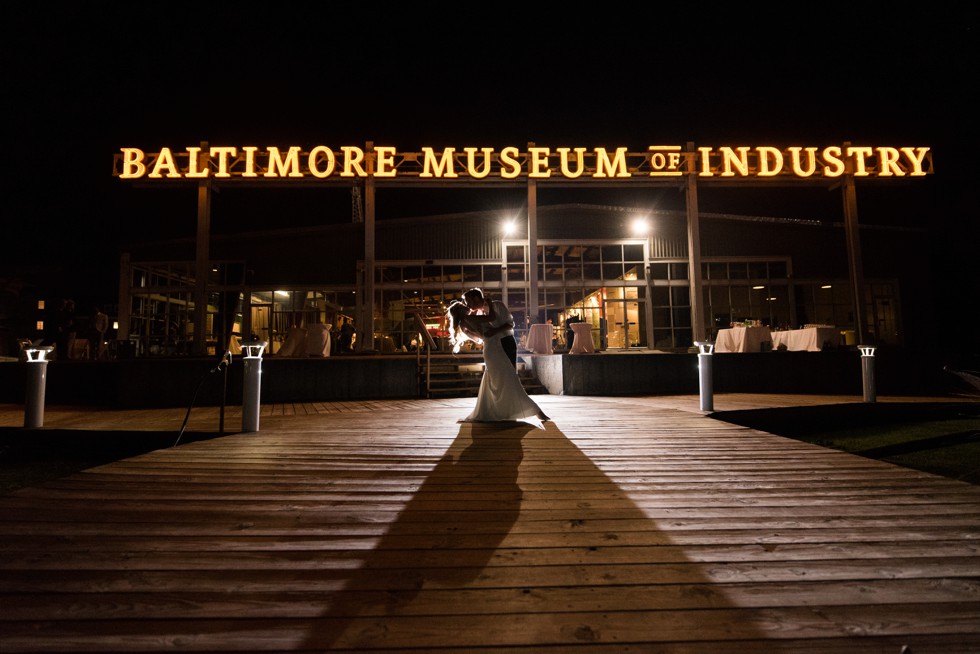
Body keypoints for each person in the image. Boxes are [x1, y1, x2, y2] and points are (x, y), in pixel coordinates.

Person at [447, 298, 549, 428]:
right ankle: (535, 412)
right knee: (508, 377)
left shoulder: (464, 323)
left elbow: (478, 339)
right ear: (460, 311)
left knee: (499, 379)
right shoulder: (471, 319)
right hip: (494, 348)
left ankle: (504, 409)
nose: (467, 306)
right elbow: (491, 317)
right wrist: (488, 303)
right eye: (463, 306)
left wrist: (484, 333)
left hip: (491, 347)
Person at [462, 287, 517, 368]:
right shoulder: (479, 313)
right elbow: (482, 336)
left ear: (476, 299)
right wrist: (467, 332)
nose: (467, 305)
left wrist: (494, 331)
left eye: (468, 301)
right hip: (492, 346)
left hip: (506, 342)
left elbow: (510, 325)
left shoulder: (497, 305)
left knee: (509, 370)